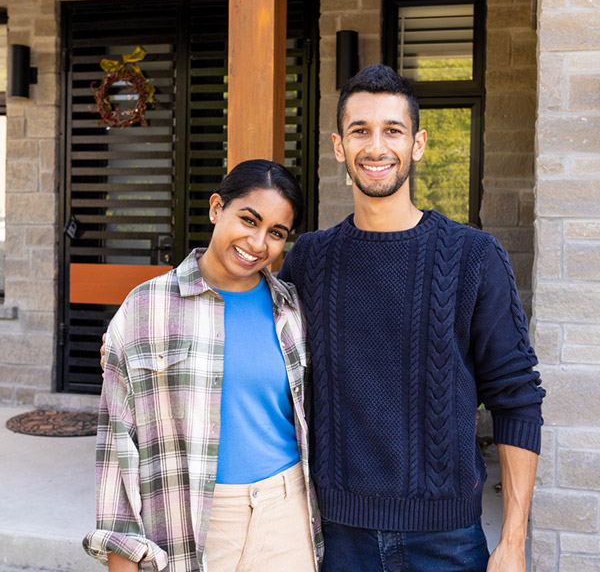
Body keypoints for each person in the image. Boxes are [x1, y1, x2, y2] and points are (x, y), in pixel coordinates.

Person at [278, 65, 545, 572]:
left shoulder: (474, 257)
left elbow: (517, 396)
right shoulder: (309, 259)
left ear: (417, 144)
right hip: (335, 537)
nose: (376, 147)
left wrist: (513, 542)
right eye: (360, 130)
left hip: (446, 539)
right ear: (339, 146)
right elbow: (265, 361)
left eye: (392, 131)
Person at [84, 160, 323, 572]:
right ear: (217, 208)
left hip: (287, 512)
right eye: (249, 219)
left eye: (276, 233)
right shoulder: (146, 308)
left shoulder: (294, 310)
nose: (258, 242)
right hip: (190, 516)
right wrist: (121, 557)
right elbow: (116, 445)